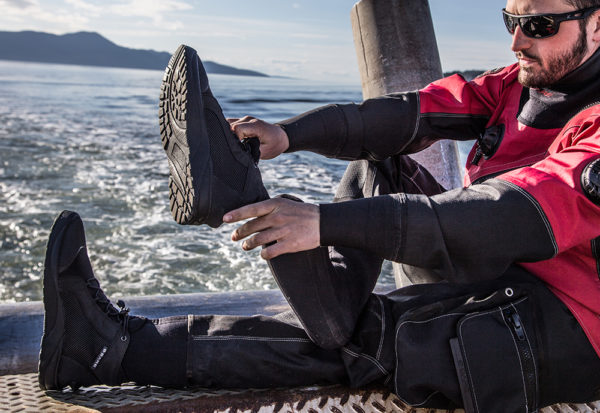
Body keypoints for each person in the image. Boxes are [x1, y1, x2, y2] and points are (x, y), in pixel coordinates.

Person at [38, 0, 600, 411]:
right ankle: (328, 304)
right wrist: (286, 135)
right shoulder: (517, 84)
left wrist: (322, 222)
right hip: (497, 267)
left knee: (372, 341)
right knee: (384, 157)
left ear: (597, 23)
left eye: (539, 25)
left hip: (570, 322)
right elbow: (403, 116)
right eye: (510, 20)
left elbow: (506, 215)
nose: (516, 41)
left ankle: (110, 349)